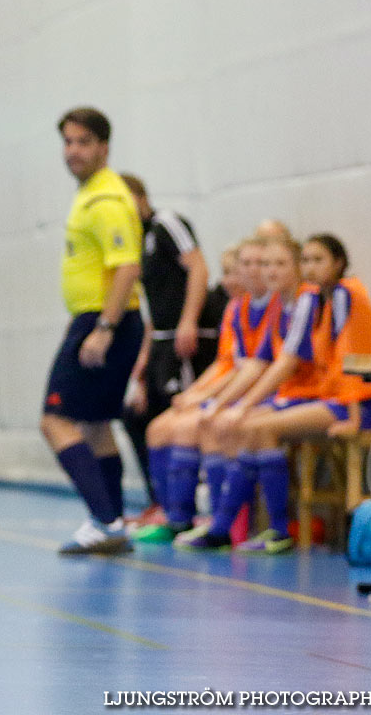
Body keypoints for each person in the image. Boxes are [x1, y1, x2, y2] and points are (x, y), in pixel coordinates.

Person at [181, 234, 371, 553]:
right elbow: (262, 362)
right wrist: (222, 404)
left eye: (317, 260)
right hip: (328, 397)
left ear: (339, 263)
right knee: (241, 425)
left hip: (364, 402)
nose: (309, 268)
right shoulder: (316, 299)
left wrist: (356, 418)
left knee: (256, 427)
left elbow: (357, 360)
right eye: (306, 260)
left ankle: (272, 528)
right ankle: (226, 526)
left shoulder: (342, 295)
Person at [42, 107, 144, 555]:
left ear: (104, 146)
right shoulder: (92, 194)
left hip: (107, 322)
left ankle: (104, 520)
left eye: (83, 142)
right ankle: (114, 524)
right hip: (97, 319)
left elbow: (126, 266)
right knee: (97, 426)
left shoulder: (107, 200)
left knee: (55, 420)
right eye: (68, 142)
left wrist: (103, 327)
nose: (73, 151)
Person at [135, 238, 266, 544]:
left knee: (192, 426)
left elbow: (248, 368)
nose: (230, 279)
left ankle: (220, 523)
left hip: (249, 393)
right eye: (231, 271)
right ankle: (176, 518)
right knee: (157, 428)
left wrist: (209, 398)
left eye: (237, 270)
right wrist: (196, 392)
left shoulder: (264, 309)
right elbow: (228, 363)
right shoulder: (237, 309)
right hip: (230, 387)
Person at [119, 174, 211, 525]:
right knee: (137, 416)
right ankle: (160, 502)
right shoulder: (134, 240)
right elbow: (150, 308)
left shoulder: (166, 223)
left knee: (180, 416)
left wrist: (188, 321)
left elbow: (199, 269)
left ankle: (190, 507)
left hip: (181, 340)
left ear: (139, 196)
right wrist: (141, 366)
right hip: (158, 340)